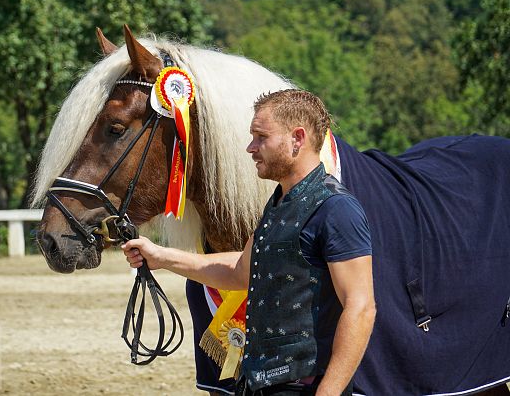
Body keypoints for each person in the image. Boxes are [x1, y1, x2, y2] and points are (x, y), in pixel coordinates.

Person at [123, 90, 376, 395]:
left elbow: (360, 308)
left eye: (261, 137)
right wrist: (161, 257)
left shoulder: (337, 210)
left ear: (297, 138)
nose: (250, 147)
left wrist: (329, 392)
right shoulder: (278, 204)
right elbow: (241, 271)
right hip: (260, 385)